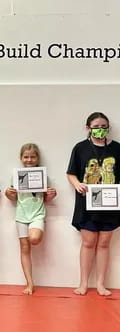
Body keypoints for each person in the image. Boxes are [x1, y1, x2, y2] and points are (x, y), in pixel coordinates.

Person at [67, 112, 120, 296]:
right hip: (87, 203)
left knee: (104, 243)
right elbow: (71, 173)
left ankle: (100, 284)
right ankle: (83, 283)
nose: (100, 130)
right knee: (88, 242)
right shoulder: (80, 148)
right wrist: (77, 184)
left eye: (104, 126)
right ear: (88, 128)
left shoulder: (117, 148)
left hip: (110, 204)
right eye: (96, 127)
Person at [5, 143, 57, 295]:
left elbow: (47, 198)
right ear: (21, 158)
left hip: (37, 214)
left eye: (32, 156)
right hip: (21, 215)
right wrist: (8, 192)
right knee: (24, 248)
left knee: (34, 239)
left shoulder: (43, 175)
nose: (29, 160)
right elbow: (12, 198)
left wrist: (52, 194)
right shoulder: (16, 175)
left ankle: (30, 282)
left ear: (38, 158)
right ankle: (30, 283)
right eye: (26, 157)